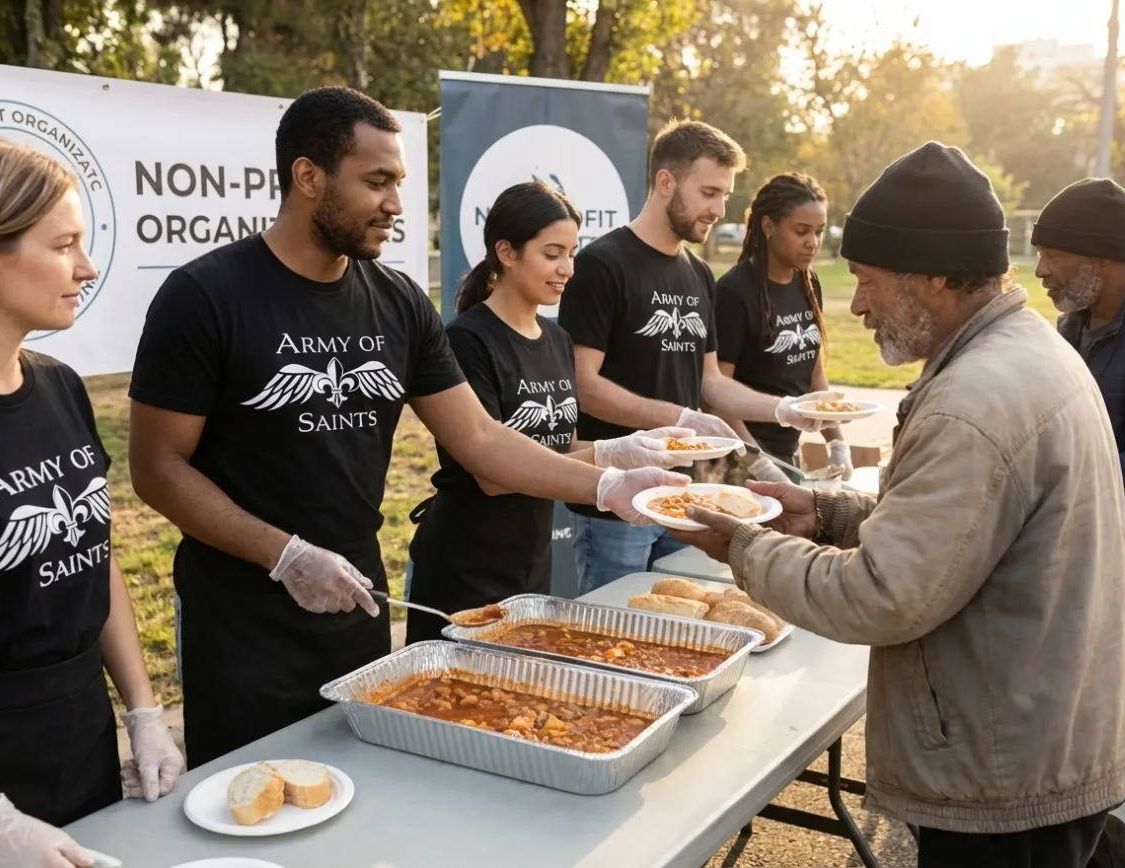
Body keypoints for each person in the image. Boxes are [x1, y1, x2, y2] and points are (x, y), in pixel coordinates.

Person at [126, 87, 685, 769]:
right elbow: (156, 468)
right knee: (255, 807)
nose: (396, 203)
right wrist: (285, 555)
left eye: (400, 182)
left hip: (357, 601)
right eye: (377, 181)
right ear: (309, 178)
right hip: (241, 617)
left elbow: (480, 440)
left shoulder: (397, 303)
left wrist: (609, 485)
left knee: (360, 790)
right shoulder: (205, 296)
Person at [673, 142, 1125, 868]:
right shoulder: (1021, 353)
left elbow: (883, 594)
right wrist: (825, 517)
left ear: (930, 279)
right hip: (1036, 739)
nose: (854, 303)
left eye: (866, 281)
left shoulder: (972, 402)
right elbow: (967, 535)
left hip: (1006, 776)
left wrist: (746, 547)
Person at [0, 138, 183, 866]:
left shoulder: (60, 386)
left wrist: (141, 710)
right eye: (64, 244)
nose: (87, 268)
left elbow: (91, 556)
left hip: (80, 734)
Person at [406, 181, 697, 644]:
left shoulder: (558, 339)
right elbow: (495, 474)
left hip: (530, 562)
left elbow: (563, 444)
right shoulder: (467, 341)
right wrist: (609, 461)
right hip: (464, 566)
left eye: (572, 253)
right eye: (552, 253)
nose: (567, 269)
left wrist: (636, 450)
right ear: (506, 252)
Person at [557, 119, 838, 593]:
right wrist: (682, 416)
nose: (719, 209)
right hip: (617, 498)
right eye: (709, 192)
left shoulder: (700, 274)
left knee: (677, 628)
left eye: (725, 195)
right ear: (666, 182)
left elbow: (711, 381)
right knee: (616, 638)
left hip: (689, 494)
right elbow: (583, 385)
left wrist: (784, 409)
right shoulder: (602, 265)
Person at [1032, 178, 1125, 868]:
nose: (1038, 270)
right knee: (1076, 745)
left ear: (1102, 258)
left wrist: (1068, 477)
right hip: (1082, 575)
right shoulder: (1075, 326)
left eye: (1051, 254)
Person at [713, 172, 851, 483]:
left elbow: (815, 376)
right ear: (768, 226)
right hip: (738, 463)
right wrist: (757, 462)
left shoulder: (808, 283)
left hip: (788, 457)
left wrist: (837, 443)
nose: (813, 243)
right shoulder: (734, 292)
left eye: (819, 232)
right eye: (802, 231)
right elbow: (715, 396)